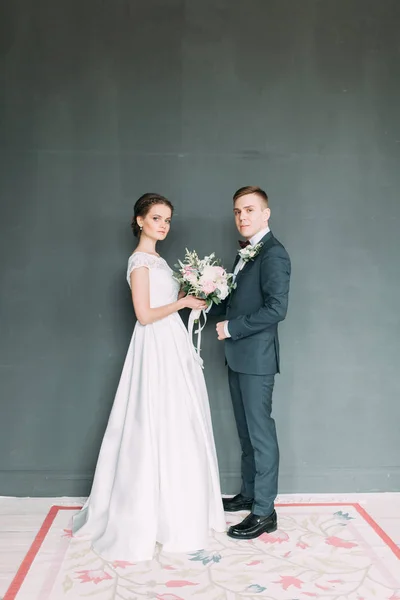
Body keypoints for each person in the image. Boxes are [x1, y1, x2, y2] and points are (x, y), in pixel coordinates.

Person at [72, 193, 226, 561]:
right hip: (154, 343)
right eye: (156, 218)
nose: (163, 225)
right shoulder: (139, 261)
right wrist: (184, 302)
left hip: (172, 342)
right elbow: (144, 314)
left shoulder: (158, 260)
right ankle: (146, 513)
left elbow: (163, 304)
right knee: (152, 420)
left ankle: (179, 508)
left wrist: (194, 293)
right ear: (139, 220)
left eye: (167, 220)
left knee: (178, 421)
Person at [214, 186, 291, 540]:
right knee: (246, 433)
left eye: (249, 210)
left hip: (256, 359)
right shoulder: (245, 253)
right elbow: (236, 302)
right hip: (237, 357)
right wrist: (202, 300)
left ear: (266, 213)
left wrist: (231, 328)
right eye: (237, 212)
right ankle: (249, 493)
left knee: (261, 434)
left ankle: (264, 511)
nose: (242, 217)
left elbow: (277, 309)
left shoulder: (273, 254)